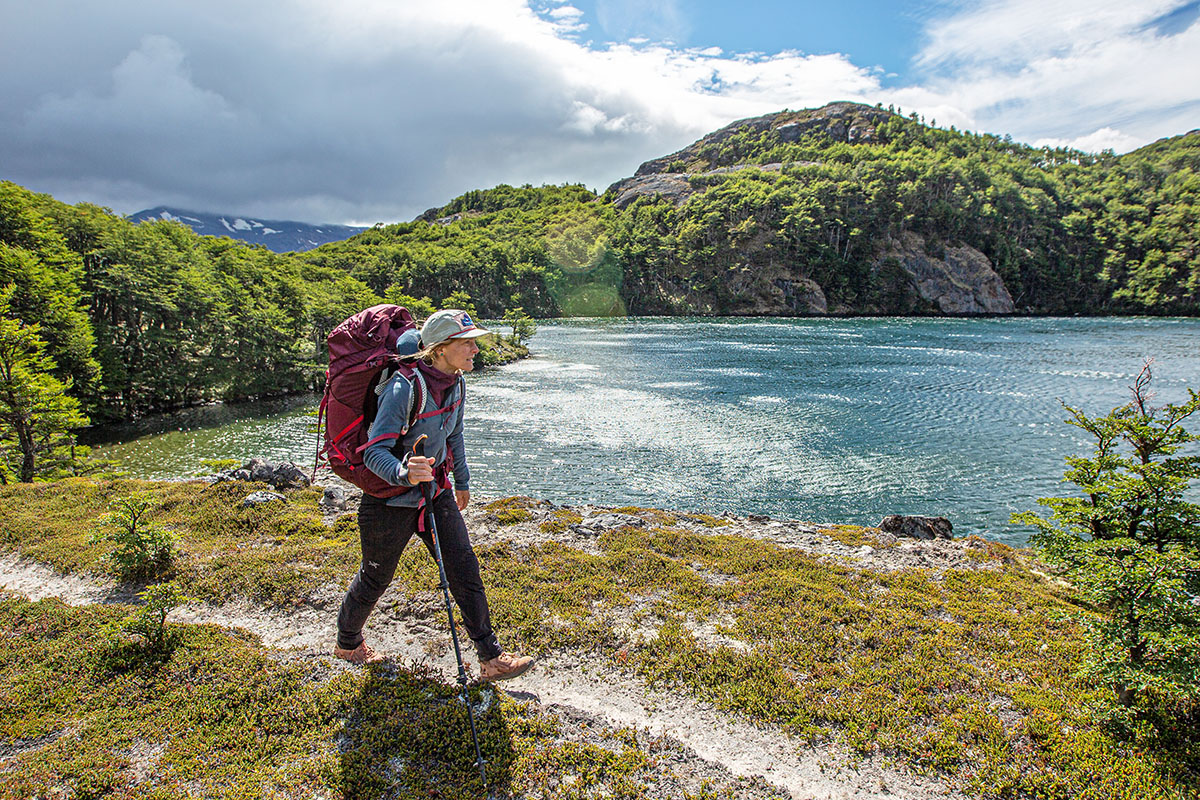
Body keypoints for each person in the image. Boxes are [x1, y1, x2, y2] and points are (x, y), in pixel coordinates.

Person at [333, 308, 535, 682]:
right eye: (468, 343)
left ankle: (491, 658)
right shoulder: (404, 389)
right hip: (388, 501)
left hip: (435, 494)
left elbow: (454, 435)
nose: (476, 349)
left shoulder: (457, 382)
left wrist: (462, 481)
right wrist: (403, 471)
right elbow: (374, 451)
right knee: (376, 576)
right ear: (440, 349)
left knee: (464, 568)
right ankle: (347, 642)